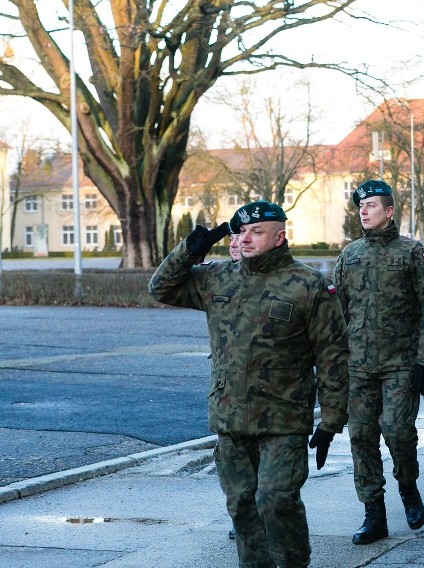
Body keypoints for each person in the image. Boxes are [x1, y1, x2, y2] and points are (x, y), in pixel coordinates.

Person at [149, 201, 350, 568]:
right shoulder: (217, 278)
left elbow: (333, 355)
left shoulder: (308, 285)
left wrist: (332, 420)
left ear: (279, 237)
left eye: (257, 231)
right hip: (231, 414)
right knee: (241, 503)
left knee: (275, 498)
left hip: (284, 417)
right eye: (241, 231)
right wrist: (189, 251)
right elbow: (160, 289)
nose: (247, 238)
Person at [333, 180, 424, 545]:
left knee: (398, 431)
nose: (364, 211)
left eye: (373, 205)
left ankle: (408, 486)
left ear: (390, 211)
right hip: (359, 365)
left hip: (400, 362)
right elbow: (340, 312)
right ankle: (373, 513)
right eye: (361, 206)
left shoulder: (413, 253)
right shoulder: (349, 255)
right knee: (361, 437)